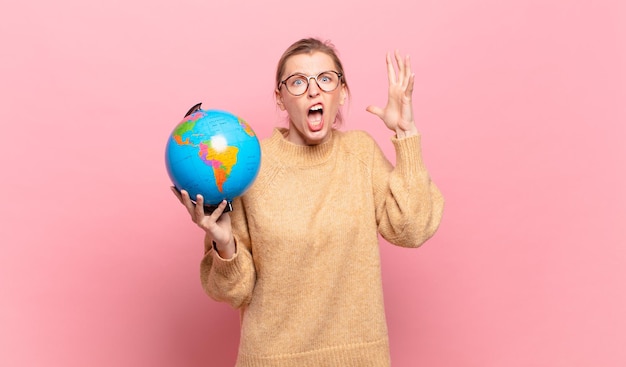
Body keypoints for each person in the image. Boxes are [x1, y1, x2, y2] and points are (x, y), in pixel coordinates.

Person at [172, 37, 444, 367]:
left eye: (326, 79)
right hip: (272, 359)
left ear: (341, 92)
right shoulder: (250, 165)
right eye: (298, 82)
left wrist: (406, 134)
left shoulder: (360, 153)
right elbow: (232, 291)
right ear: (281, 98)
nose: (313, 91)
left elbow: (413, 229)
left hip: (360, 359)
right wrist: (224, 243)